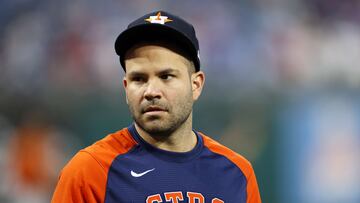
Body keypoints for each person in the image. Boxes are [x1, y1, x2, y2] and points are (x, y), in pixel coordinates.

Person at [51, 10, 261, 203]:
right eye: (139, 79)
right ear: (126, 88)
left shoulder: (237, 173)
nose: (151, 91)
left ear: (195, 85)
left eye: (166, 76)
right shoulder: (89, 172)